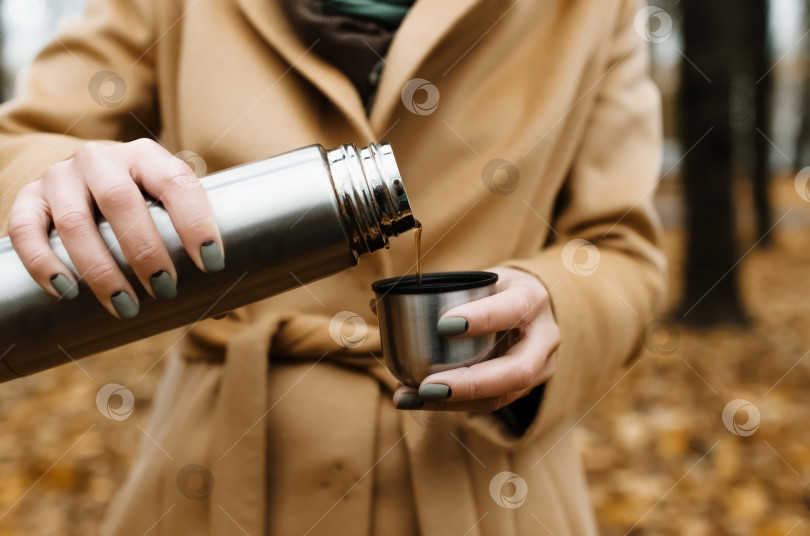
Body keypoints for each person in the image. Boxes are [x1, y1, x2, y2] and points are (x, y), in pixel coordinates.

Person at [0, 0, 666, 534]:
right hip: (210, 479)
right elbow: (20, 141)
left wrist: (555, 301)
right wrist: (58, 176)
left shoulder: (591, 10)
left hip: (482, 485)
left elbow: (622, 249)